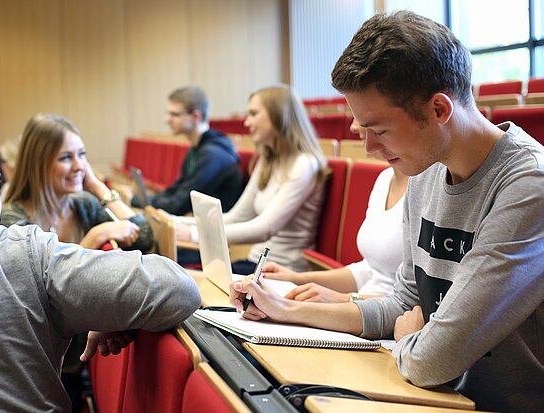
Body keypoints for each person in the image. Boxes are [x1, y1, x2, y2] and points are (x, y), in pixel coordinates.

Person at [230, 11, 543, 413]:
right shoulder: (426, 171)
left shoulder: (529, 185)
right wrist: (286, 310)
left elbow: (433, 359)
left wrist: (408, 338)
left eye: (378, 131)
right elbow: (401, 306)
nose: (372, 149)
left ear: (439, 110)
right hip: (431, 393)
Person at [0, 108, 201, 412]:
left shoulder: (74, 209)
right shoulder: (21, 250)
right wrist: (105, 309)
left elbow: (144, 233)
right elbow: (180, 288)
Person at [179, 85, 327, 273]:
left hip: (281, 271)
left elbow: (265, 228)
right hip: (254, 263)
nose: (247, 122)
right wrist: (178, 222)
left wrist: (193, 234)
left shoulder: (305, 164)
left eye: (253, 114)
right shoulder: (268, 159)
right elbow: (237, 217)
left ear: (278, 116)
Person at [263, 118, 408, 303]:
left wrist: (342, 300)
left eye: (359, 116)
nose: (353, 126)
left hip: (380, 319)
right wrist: (295, 279)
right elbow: (371, 271)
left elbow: (412, 303)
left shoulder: (426, 188)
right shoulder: (384, 178)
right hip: (362, 310)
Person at [1, 113, 153, 252]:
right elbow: (42, 280)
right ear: (37, 166)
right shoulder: (11, 219)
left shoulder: (83, 204)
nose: (79, 166)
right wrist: (95, 237)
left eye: (81, 155)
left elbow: (144, 237)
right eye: (66, 157)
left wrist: (97, 186)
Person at [131, 85, 243, 215]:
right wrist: (139, 199)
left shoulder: (213, 155)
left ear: (196, 116)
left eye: (174, 114)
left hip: (218, 229)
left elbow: (179, 205)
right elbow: (174, 191)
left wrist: (135, 200)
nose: (167, 120)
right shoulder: (197, 149)